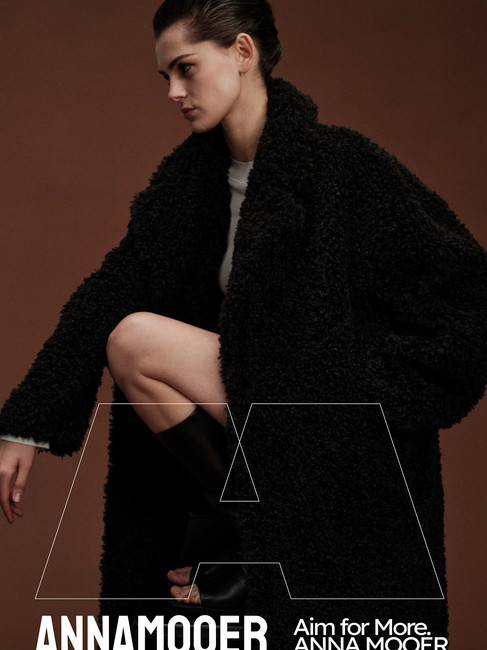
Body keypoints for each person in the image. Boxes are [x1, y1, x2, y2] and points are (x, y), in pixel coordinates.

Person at [1, 0, 487, 643]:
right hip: (269, 424)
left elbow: (467, 299)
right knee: (129, 340)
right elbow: (112, 287)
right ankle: (257, 531)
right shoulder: (187, 188)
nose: (173, 92)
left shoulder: (343, 167)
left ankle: (259, 538)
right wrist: (29, 423)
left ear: (242, 52)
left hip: (330, 426)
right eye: (165, 77)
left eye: (185, 68)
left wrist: (362, 396)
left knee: (136, 338)